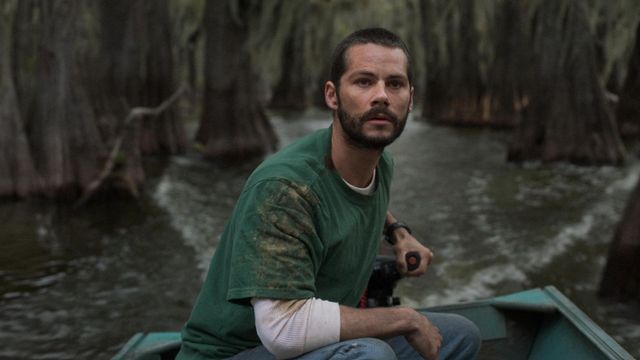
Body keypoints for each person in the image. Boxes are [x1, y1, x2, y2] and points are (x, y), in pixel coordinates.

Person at [176, 27, 481, 360]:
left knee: (460, 336)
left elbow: (355, 196)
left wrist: (398, 232)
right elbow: (283, 330)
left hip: (313, 345)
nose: (381, 95)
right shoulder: (284, 188)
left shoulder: (380, 164)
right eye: (364, 82)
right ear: (332, 96)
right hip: (239, 351)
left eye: (394, 83)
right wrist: (403, 318)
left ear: (410, 99)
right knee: (370, 355)